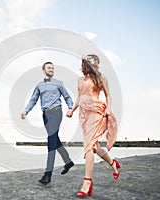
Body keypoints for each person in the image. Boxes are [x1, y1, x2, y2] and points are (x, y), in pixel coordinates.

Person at [66, 54, 120, 197]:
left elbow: (108, 95)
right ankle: (113, 163)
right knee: (95, 146)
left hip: (96, 111)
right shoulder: (80, 80)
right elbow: (80, 97)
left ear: (97, 63)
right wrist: (72, 110)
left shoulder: (101, 78)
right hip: (83, 114)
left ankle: (87, 182)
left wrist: (108, 108)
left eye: (91, 61)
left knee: (89, 145)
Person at [21, 61, 74, 185]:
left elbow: (67, 97)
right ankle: (68, 161)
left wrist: (70, 108)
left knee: (51, 141)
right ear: (43, 70)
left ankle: (48, 174)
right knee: (55, 140)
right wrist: (26, 111)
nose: (51, 69)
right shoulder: (39, 86)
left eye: (53, 68)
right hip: (45, 115)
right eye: (49, 68)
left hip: (56, 112)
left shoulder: (59, 83)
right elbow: (33, 99)